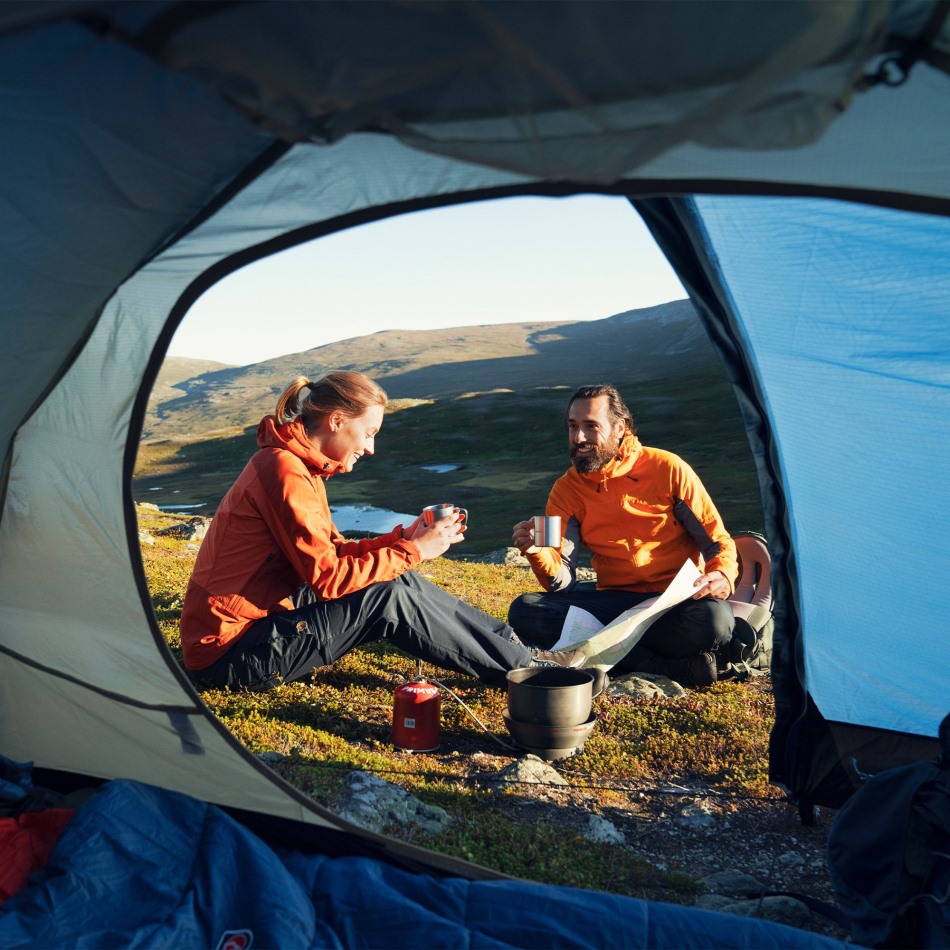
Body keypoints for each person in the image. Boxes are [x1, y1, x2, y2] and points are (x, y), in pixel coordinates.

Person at [179, 371, 581, 692]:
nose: (370, 448)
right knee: (385, 595)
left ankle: (518, 651)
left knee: (395, 576)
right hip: (229, 655)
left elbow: (332, 552)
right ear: (337, 421)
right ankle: (525, 673)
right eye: (368, 433)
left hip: (258, 622)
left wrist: (403, 540)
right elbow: (329, 579)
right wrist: (415, 549)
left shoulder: (298, 466)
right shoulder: (284, 471)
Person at [507, 384, 738, 688]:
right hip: (614, 600)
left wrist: (722, 573)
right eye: (573, 427)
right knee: (526, 611)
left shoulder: (667, 469)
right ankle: (663, 665)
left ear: (620, 428)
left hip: (673, 599)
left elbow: (716, 540)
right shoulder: (566, 490)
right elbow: (560, 581)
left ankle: (614, 653)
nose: (579, 438)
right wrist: (538, 551)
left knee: (716, 622)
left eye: (591, 427)